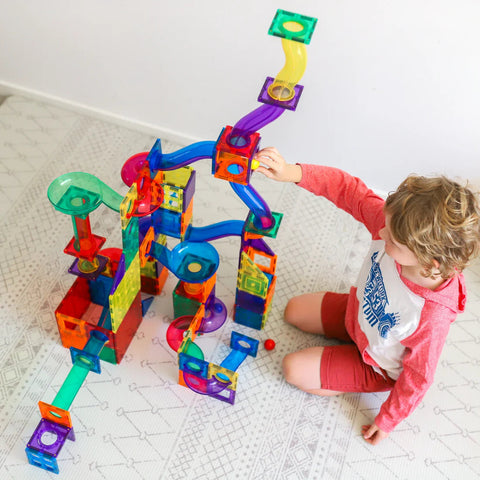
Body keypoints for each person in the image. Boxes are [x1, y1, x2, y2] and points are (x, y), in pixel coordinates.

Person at [254, 147, 480, 445]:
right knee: (294, 310)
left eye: (393, 240)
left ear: (429, 263)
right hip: (357, 313)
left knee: (293, 369)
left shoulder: (431, 315)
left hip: (375, 363)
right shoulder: (393, 225)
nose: (381, 233)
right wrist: (290, 172)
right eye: (385, 225)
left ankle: (348, 380)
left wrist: (387, 420)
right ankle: (345, 346)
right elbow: (347, 189)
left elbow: (418, 377)